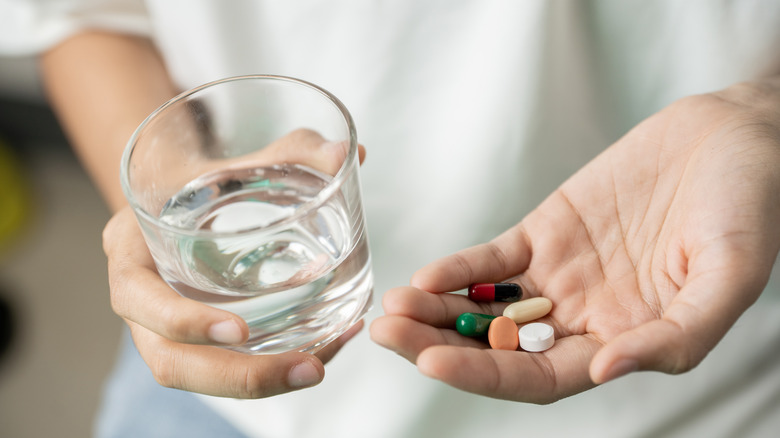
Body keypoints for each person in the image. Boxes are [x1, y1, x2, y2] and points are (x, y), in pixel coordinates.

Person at [2, 1, 780, 436]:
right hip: (234, 392)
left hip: (695, 381)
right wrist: (177, 192)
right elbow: (81, 12)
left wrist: (763, 115)